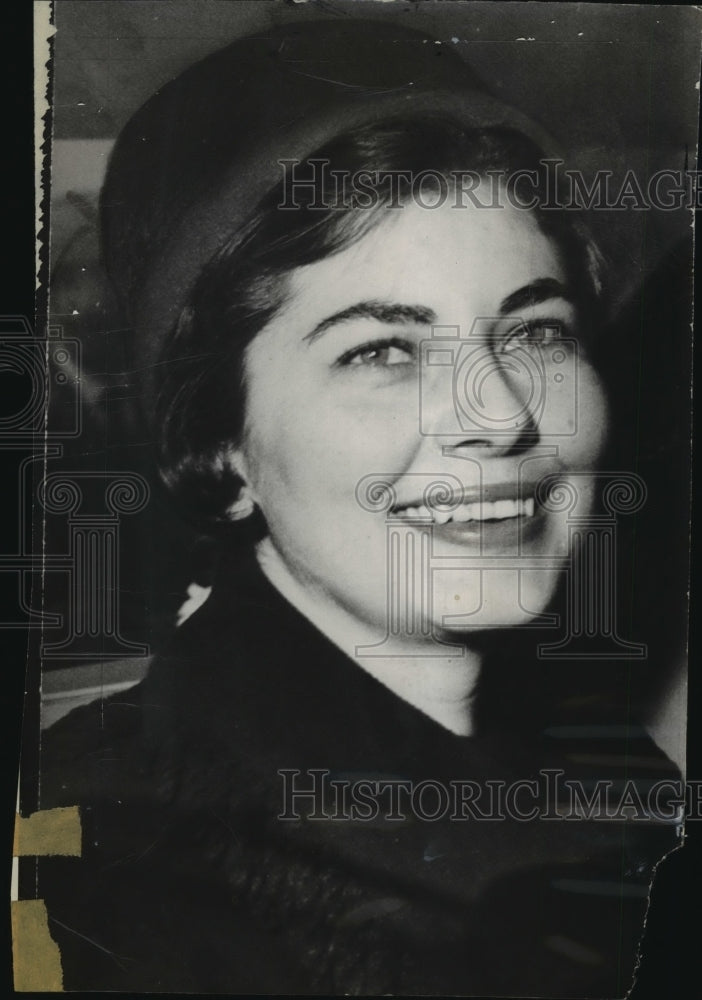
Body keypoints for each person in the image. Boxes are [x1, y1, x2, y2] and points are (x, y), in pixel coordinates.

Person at [36, 18, 681, 996]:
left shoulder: (625, 784)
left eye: (535, 331)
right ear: (221, 442)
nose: (499, 415)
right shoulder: (101, 870)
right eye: (383, 351)